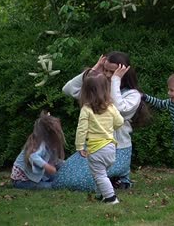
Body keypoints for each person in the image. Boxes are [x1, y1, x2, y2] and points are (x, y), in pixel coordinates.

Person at [53, 51, 150, 191]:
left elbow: (119, 109)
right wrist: (92, 71)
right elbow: (68, 90)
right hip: (93, 147)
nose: (108, 75)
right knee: (62, 180)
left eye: (112, 72)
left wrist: (115, 81)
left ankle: (119, 178)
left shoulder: (132, 95)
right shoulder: (97, 92)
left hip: (117, 150)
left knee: (83, 183)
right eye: (105, 70)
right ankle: (113, 180)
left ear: (124, 72)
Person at [75, 71, 124, 204]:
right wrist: (109, 128)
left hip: (96, 149)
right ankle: (101, 194)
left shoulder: (86, 109)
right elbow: (120, 122)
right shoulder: (111, 107)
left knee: (99, 175)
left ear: (86, 91)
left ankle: (111, 198)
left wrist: (79, 146)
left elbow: (81, 129)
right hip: (110, 148)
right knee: (102, 174)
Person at [11, 111, 66, 190]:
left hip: (38, 176)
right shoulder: (38, 144)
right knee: (52, 186)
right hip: (22, 180)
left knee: (59, 180)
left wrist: (66, 164)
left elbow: (54, 160)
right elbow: (33, 155)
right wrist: (47, 166)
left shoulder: (49, 144)